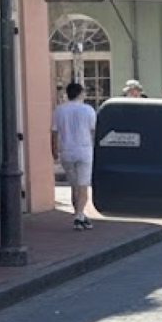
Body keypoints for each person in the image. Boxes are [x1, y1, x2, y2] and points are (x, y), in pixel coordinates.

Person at [51, 82, 97, 230]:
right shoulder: (88, 110)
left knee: (74, 185)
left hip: (66, 150)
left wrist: (54, 150)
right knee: (83, 186)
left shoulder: (59, 110)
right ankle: (79, 215)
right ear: (80, 93)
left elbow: (54, 132)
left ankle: (80, 215)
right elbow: (93, 129)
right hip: (84, 149)